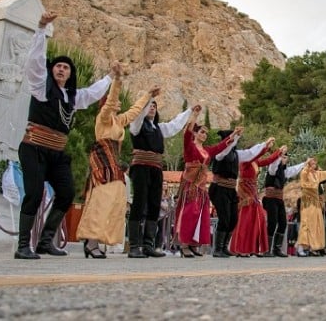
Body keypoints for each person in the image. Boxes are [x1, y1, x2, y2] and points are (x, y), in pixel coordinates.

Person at [15, 12, 114, 260]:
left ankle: (46, 241)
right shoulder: (41, 88)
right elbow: (35, 63)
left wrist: (111, 77)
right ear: (52, 70)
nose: (61, 69)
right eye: (58, 66)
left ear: (70, 74)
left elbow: (92, 93)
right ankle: (23, 245)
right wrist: (41, 28)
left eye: (66, 67)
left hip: (57, 153)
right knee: (34, 194)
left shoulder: (73, 97)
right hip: (34, 148)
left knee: (67, 193)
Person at [76, 63, 154, 258]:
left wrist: (148, 96)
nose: (118, 104)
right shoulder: (103, 118)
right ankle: (91, 242)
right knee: (101, 200)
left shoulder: (118, 121)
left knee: (115, 200)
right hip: (102, 163)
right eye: (114, 102)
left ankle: (97, 241)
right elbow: (111, 102)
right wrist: (117, 81)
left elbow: (135, 111)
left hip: (113, 163)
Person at [126, 93, 193, 258]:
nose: (152, 108)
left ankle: (148, 244)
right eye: (149, 106)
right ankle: (135, 245)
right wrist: (148, 98)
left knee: (154, 204)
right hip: (141, 166)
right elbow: (137, 117)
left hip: (156, 168)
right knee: (139, 203)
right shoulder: (137, 125)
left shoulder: (159, 128)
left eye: (154, 106)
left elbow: (175, 125)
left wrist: (190, 111)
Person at [174, 107, 239, 258]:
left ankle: (194, 244)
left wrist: (234, 135)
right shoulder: (190, 148)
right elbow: (186, 135)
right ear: (195, 133)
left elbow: (220, 146)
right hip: (191, 186)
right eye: (202, 132)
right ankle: (184, 245)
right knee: (189, 214)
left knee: (200, 216)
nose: (204, 135)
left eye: (206, 133)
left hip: (201, 188)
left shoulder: (207, 151)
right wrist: (195, 115)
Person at [209, 130, 272, 258]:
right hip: (220, 187)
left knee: (233, 219)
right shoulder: (220, 153)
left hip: (231, 189)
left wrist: (265, 145)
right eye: (232, 139)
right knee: (224, 218)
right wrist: (233, 138)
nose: (235, 141)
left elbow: (250, 153)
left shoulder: (236, 154)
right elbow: (226, 150)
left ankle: (225, 246)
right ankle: (218, 248)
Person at [227, 139, 281, 257]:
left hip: (253, 192)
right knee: (245, 220)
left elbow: (268, 160)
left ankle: (252, 248)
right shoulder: (245, 161)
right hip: (245, 192)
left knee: (258, 218)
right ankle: (240, 248)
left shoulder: (255, 162)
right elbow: (257, 155)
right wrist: (265, 146)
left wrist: (278, 152)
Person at [262, 153, 308, 258]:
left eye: (286, 157)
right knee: (272, 223)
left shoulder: (284, 171)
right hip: (270, 199)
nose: (284, 159)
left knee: (283, 223)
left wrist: (305, 163)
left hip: (279, 199)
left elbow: (294, 170)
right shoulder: (272, 169)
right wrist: (278, 155)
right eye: (282, 157)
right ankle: (266, 249)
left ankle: (276, 248)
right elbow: (274, 164)